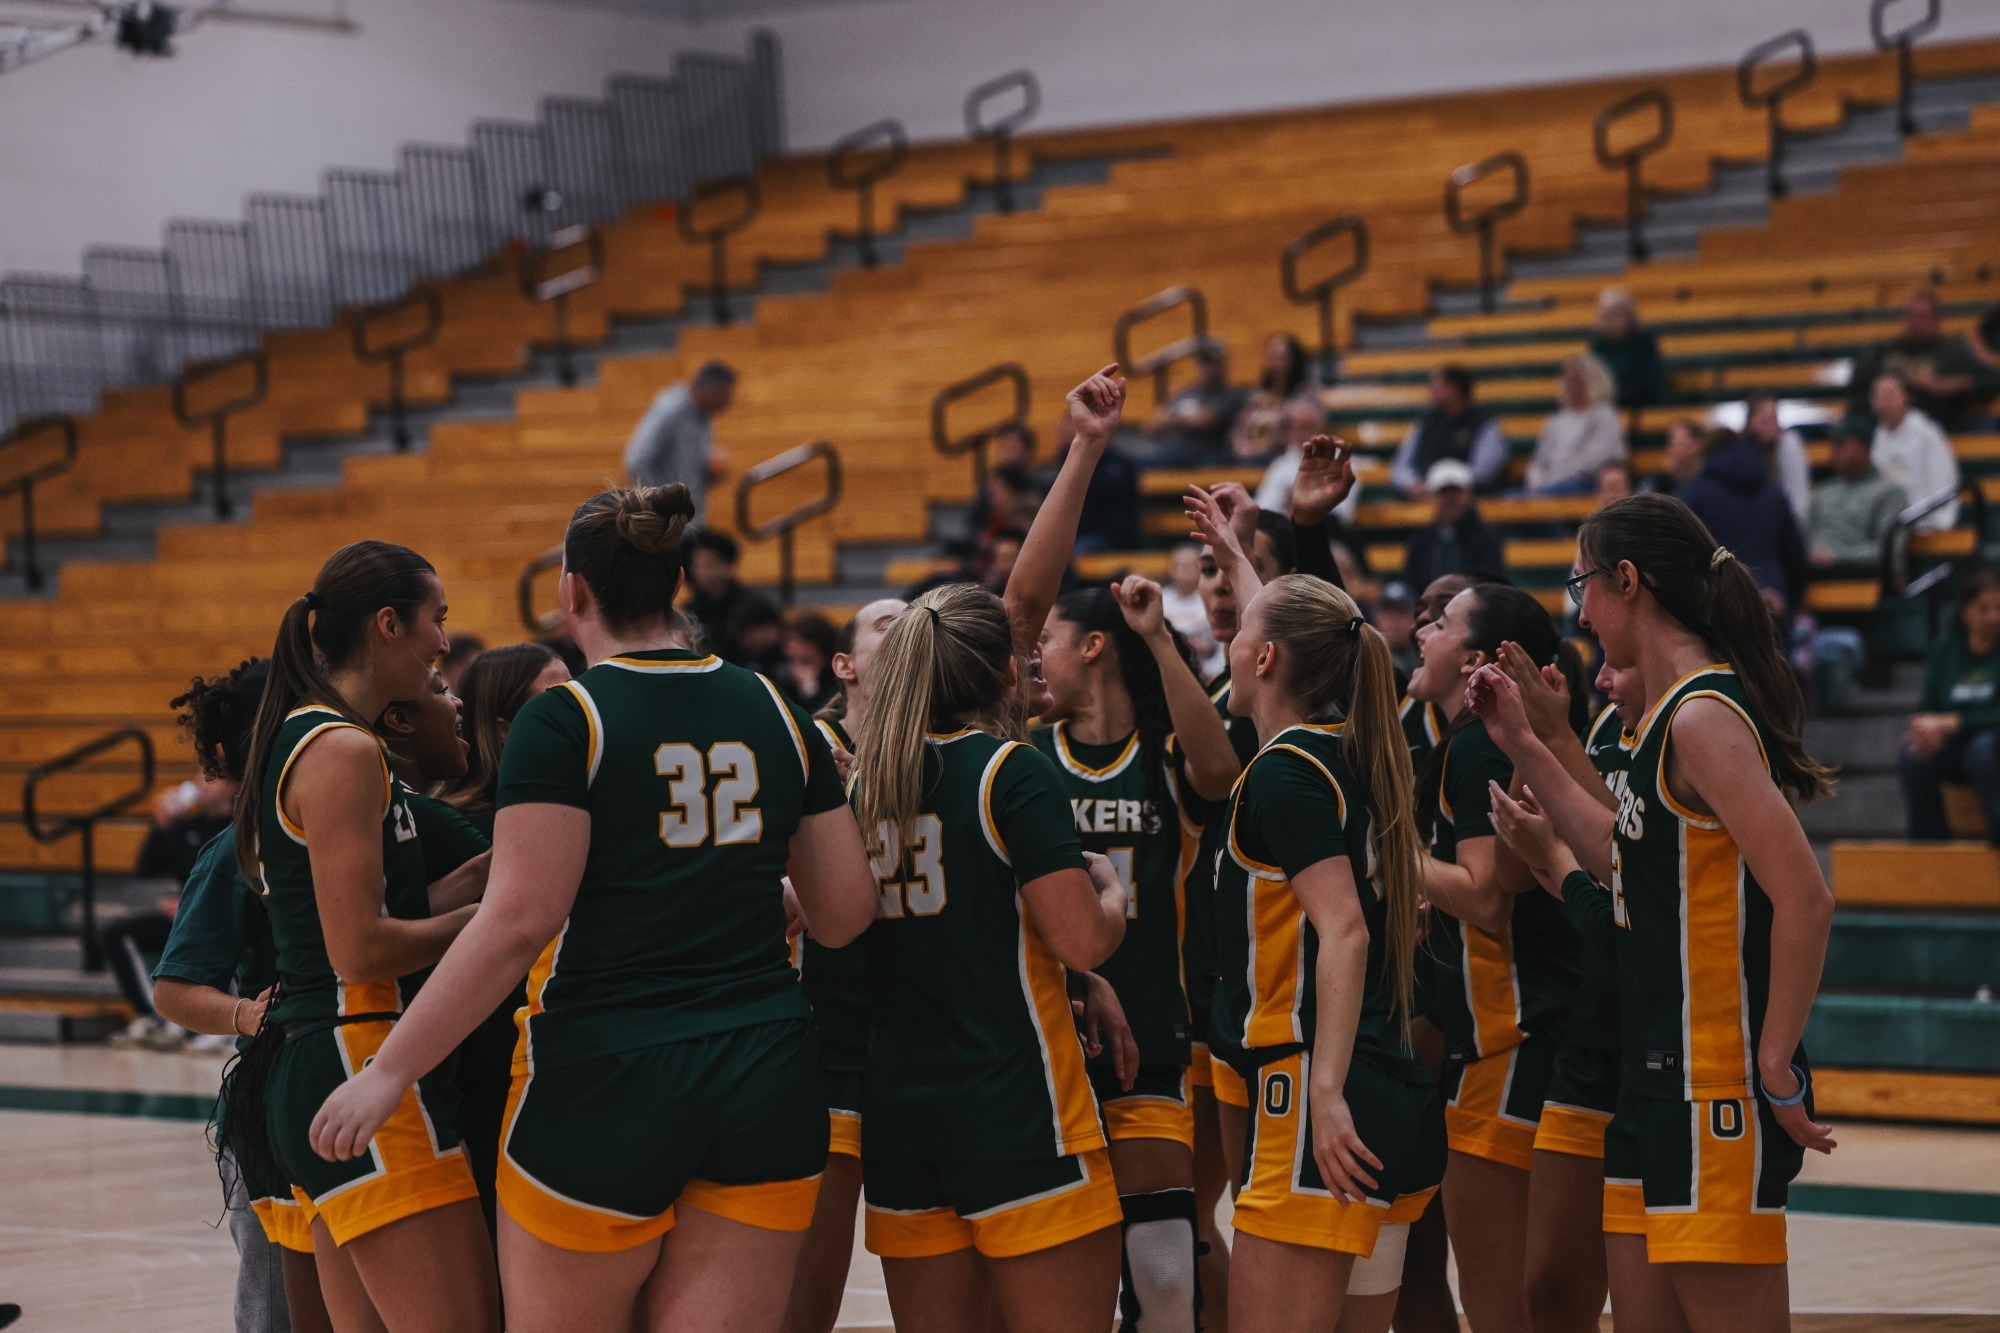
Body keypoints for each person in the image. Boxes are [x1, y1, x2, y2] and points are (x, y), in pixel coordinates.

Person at [309, 485, 878, 1329]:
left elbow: (516, 922)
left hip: (604, 1080)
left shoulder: (565, 718)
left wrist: (388, 1070)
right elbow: (843, 913)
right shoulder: (772, 705)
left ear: (572, 591)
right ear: (677, 581)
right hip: (764, 1075)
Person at [1472, 492, 1838, 1333]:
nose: (1582, 613)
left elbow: (1806, 898)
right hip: (1648, 1087)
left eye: (1582, 587)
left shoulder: (1705, 714)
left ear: (1627, 581)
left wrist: (1774, 1059)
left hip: (1712, 1083)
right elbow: (1625, 856)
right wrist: (1528, 744)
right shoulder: (1657, 721)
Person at [216, 540, 498, 1332]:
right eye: (435, 619)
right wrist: (490, 923)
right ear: (387, 624)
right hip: (359, 1051)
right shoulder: (342, 749)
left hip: (325, 1055)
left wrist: (499, 875)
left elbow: (366, 912)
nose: (445, 640)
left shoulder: (314, 737)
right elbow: (360, 950)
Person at [848, 585, 1130, 1331]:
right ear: (1008, 672)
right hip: (1020, 1115)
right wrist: (1112, 892)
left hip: (905, 1129)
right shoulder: (1011, 771)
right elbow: (1080, 937)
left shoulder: (866, 785)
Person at [1190, 501, 1443, 1332]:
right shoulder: (1352, 749)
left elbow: (1346, 928)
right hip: (1385, 1078)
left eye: (1240, 630)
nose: (1224, 639)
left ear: (1263, 657)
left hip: (1317, 1086)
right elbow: (1304, 628)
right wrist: (1237, 556)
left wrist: (1324, 1091)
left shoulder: (1284, 773)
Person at [1406, 581, 1583, 1333]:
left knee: (1501, 1307)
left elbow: (1485, 896)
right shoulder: (1472, 742)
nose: (1419, 631)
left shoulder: (1477, 742)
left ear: (1474, 657)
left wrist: (1388, 850)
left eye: (1438, 624)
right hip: (1517, 1035)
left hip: (1510, 1038)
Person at [148, 657, 328, 1333]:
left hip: (345, 1089)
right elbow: (173, 988)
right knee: (276, 1311)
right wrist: (244, 1013)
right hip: (266, 1110)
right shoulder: (236, 850)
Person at [1475, 650, 1643, 1333]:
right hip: (1589, 1035)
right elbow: (1513, 876)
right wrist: (1539, 739)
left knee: (1648, 1300)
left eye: (1614, 665)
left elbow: (1641, 880)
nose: (1601, 677)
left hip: (1659, 1045)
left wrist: (1562, 867)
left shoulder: (1692, 730)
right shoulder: (1604, 730)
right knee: (1547, 1288)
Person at [784, 598, 905, 1333]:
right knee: (809, 1296)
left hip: (922, 1032)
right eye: (886, 623)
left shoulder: (947, 752)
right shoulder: (803, 745)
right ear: (845, 664)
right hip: (822, 1028)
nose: (907, 626)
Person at [1899, 564, 2000, 841]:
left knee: (1980, 751)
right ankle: (1930, 845)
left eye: (1998, 608)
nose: (1994, 617)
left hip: (1991, 744)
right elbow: (1927, 707)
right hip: (1953, 745)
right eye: (1985, 608)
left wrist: (1956, 722)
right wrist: (1926, 730)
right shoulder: (1945, 648)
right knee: (1914, 753)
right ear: (1966, 611)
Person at [1675, 430, 1807, 617]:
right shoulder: (1774, 494)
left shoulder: (1695, 494)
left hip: (1719, 601)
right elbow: (1795, 554)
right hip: (1774, 598)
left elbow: (1681, 553)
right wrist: (1791, 599)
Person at [445, 642, 572, 831]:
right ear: (503, 729)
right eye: (557, 700)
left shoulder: (575, 791)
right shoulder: (465, 826)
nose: (576, 709)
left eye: (576, 693)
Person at [1847, 290, 1996, 431]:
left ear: (1936, 319)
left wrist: (1945, 385)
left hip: (1935, 428)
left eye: (1923, 316)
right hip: (1884, 428)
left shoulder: (1952, 352)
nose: (1916, 322)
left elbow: (1991, 381)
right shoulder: (1884, 351)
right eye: (1912, 315)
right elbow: (1858, 385)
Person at [622, 360, 737, 521]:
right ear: (712, 390)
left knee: (724, 546)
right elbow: (637, 461)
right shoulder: (670, 411)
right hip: (669, 524)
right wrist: (659, 507)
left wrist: (709, 473)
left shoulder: (703, 417)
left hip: (689, 522)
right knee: (724, 547)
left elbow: (687, 471)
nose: (729, 403)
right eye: (727, 395)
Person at [1389, 366, 1508, 496]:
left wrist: (1446, 485)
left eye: (1436, 385)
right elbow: (1400, 466)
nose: (1430, 389)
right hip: (1423, 495)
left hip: (1465, 500)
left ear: (1454, 389)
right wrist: (1412, 483)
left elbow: (1484, 471)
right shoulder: (1425, 423)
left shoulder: (1483, 424)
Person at [1806, 428, 1909, 574]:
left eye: (1841, 445)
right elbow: (1802, 537)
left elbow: (1888, 551)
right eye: (1833, 445)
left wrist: (1838, 556)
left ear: (1865, 448)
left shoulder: (1890, 492)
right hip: (1809, 573)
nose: (1833, 453)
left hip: (1858, 577)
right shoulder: (1824, 491)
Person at [1524, 354, 1627, 496]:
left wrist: (1558, 477)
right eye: (1567, 378)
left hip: (1585, 484)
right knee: (1508, 501)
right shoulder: (1556, 420)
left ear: (1592, 381)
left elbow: (1598, 459)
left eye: (1576, 379)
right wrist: (1537, 483)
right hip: (1551, 485)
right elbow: (1539, 461)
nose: (1570, 384)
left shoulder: (1605, 415)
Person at [1871, 373, 1961, 533]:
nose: (1884, 403)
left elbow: (1944, 481)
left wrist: (1939, 523)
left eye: (1890, 395)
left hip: (1926, 521)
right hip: (1890, 523)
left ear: (1905, 397)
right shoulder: (1874, 437)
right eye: (1879, 396)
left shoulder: (1927, 433)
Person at [1402, 459, 1506, 593]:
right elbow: (1411, 584)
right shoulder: (1420, 541)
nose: (1450, 499)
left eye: (1456, 492)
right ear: (1433, 496)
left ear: (1468, 494)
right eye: (1444, 492)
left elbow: (1494, 586)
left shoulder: (1486, 539)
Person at [1147, 341, 1246, 465]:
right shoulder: (1186, 392)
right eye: (1203, 362)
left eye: (1212, 362)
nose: (1207, 367)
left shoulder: (1230, 396)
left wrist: (1172, 418)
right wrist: (1185, 419)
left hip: (1202, 456)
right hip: (1170, 454)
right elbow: (1153, 426)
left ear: (1223, 364)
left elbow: (1205, 421)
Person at [1231, 333, 1316, 462]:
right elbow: (1239, 429)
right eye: (1272, 357)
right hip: (1247, 457)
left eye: (1281, 357)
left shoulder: (1305, 396)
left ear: (1294, 360)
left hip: (1282, 458)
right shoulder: (1257, 396)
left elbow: (1300, 432)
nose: (1275, 363)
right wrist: (1241, 446)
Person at [1588, 287, 1668, 411]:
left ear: (1629, 314)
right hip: (1606, 408)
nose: (1611, 320)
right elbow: (1593, 381)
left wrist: (1615, 395)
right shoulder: (1598, 346)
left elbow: (1649, 381)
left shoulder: (1644, 343)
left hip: (1642, 407)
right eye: (1606, 315)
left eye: (1616, 313)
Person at [1253, 398, 1334, 512]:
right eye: (1294, 427)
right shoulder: (1280, 465)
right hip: (1283, 526)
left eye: (1306, 427)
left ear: (1321, 428)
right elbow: (1263, 509)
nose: (1299, 433)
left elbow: (1340, 516)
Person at [1742, 397, 1811, 525]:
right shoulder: (1740, 450)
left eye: (1773, 418)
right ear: (1750, 421)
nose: (1770, 424)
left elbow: (1798, 498)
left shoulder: (1788, 443)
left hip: (1783, 522)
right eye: (1763, 417)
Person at [684, 528, 752, 657]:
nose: (700, 572)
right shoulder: (691, 609)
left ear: (726, 567)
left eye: (707, 565)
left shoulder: (750, 607)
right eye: (696, 566)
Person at [1163, 543, 1222, 678]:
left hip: (1206, 671)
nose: (1184, 570)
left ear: (1200, 569)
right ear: (1170, 570)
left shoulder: (1213, 599)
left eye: (1190, 565)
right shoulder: (1159, 599)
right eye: (1180, 565)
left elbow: (1221, 644)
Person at [781, 612, 841, 712]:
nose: (789, 647)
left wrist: (809, 689)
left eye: (795, 640)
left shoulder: (837, 675)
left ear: (813, 645)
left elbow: (826, 714)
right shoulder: (787, 674)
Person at [1649, 419, 1705, 498]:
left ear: (1696, 446)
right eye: (1670, 443)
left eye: (1677, 444)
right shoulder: (1656, 483)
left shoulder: (1712, 482)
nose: (1669, 449)